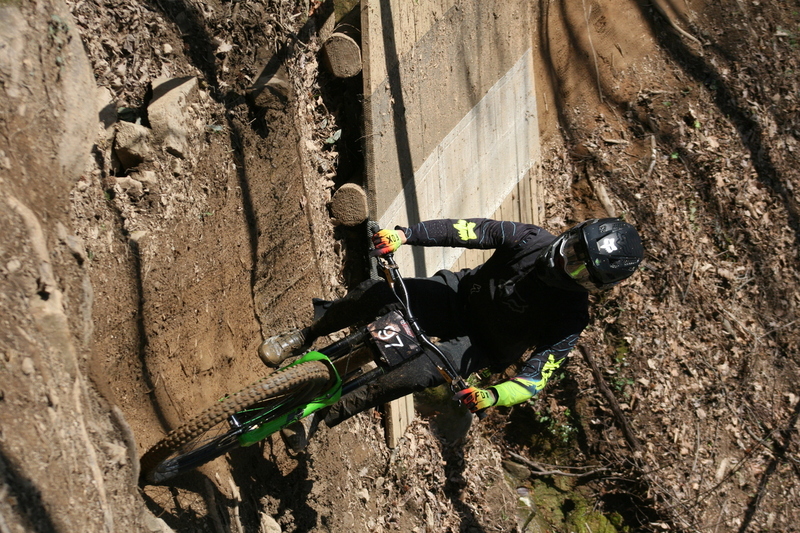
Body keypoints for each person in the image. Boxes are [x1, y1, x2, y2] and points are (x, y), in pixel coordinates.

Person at [258, 218, 643, 450]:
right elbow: (467, 230)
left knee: (409, 376)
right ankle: (305, 335)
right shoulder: (529, 239)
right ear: (573, 234)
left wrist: (493, 395)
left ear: (594, 286)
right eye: (575, 250)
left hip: (480, 347)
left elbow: (536, 377)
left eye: (580, 270)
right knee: (376, 293)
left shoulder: (571, 318)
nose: (567, 263)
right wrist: (406, 235)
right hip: (456, 297)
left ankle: (319, 416)